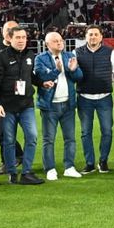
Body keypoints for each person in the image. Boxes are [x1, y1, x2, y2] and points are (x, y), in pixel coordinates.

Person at [0, 26, 42, 185]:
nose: (21, 41)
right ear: (10, 39)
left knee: (32, 137)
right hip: (7, 106)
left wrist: (42, 83)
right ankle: (12, 173)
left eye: (23, 38)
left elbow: (30, 76)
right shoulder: (0, 58)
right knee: (9, 140)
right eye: (18, 38)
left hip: (26, 105)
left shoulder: (30, 55)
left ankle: (27, 172)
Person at [34, 31, 84, 182]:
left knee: (70, 138)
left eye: (61, 40)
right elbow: (41, 78)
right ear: (47, 44)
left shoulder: (69, 56)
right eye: (55, 41)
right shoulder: (40, 58)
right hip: (50, 106)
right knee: (49, 139)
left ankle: (69, 167)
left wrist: (74, 70)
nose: (59, 43)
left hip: (68, 104)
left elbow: (79, 77)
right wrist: (57, 70)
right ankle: (50, 168)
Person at [75, 25, 114, 173]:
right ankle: (89, 162)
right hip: (84, 98)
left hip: (104, 98)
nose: (93, 37)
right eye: (90, 34)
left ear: (101, 36)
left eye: (96, 34)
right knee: (85, 132)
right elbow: (71, 74)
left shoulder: (111, 52)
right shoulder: (76, 52)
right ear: (86, 36)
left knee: (107, 131)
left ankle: (103, 161)